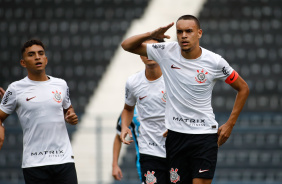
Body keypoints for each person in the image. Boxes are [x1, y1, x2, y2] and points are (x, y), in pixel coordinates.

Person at [121, 15, 249, 184]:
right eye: (179, 31)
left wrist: (230, 124)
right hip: (176, 137)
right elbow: (127, 45)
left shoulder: (215, 62)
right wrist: (151, 33)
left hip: (204, 136)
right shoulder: (166, 52)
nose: (183, 35)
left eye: (189, 31)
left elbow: (243, 88)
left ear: (199, 33)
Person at [0, 39, 78, 184]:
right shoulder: (15, 89)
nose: (37, 57)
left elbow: (68, 108)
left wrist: (70, 116)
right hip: (34, 163)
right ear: (23, 63)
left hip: (64, 159)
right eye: (31, 54)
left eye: (40, 53)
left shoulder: (60, 84)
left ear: (46, 59)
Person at [120, 38, 169, 184]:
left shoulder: (174, 77)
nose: (148, 53)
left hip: (175, 148)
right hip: (149, 150)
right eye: (144, 50)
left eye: (152, 48)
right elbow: (128, 109)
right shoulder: (133, 82)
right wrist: (124, 127)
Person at [112, 108, 142, 182]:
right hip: (145, 162)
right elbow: (119, 136)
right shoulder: (131, 110)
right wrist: (115, 165)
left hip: (170, 158)